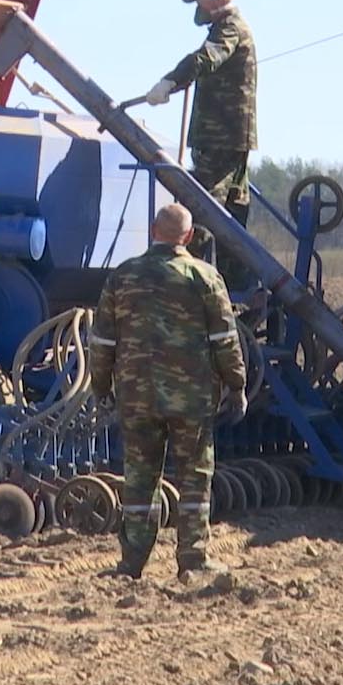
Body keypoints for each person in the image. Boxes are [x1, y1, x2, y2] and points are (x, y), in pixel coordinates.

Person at [88, 202, 248, 580]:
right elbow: (225, 338)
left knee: (140, 478)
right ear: (189, 237)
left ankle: (132, 562)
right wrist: (237, 384)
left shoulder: (123, 277)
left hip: (137, 396)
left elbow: (102, 340)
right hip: (191, 399)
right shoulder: (204, 277)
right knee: (194, 475)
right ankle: (192, 559)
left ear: (151, 231)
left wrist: (100, 385)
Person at [143, 0, 259, 295]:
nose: (199, 8)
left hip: (220, 135)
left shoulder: (230, 28)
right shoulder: (223, 27)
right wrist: (174, 85)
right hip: (229, 135)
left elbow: (206, 58)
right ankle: (238, 283)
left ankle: (192, 284)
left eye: (202, 0)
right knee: (233, 210)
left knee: (201, 207)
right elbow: (203, 55)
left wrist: (168, 80)